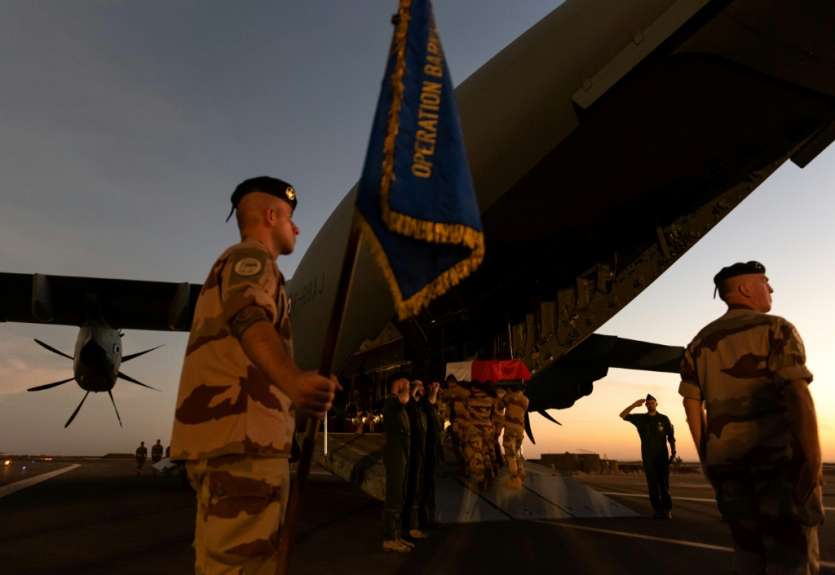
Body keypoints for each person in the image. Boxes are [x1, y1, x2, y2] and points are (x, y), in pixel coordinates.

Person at [169, 176, 338, 575]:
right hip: (245, 446)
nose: (296, 228)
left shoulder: (233, 264)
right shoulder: (252, 259)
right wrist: (293, 382)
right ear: (271, 216)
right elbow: (248, 315)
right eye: (290, 218)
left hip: (231, 441)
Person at [680, 261, 824, 574]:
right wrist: (813, 461)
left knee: (749, 558)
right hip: (781, 468)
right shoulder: (776, 329)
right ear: (745, 288)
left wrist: (708, 461)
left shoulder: (698, 343)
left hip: (729, 471)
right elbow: (797, 394)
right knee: (793, 560)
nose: (771, 288)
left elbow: (692, 406)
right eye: (764, 281)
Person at [619, 394, 676, 518]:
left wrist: (673, 451)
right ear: (646, 405)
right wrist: (634, 404)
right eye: (648, 403)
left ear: (656, 404)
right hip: (648, 456)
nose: (650, 405)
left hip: (662, 456)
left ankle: (667, 510)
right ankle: (657, 510)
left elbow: (671, 437)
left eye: (652, 403)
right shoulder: (641, 419)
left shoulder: (664, 419)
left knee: (664, 484)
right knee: (652, 484)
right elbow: (622, 415)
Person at [382, 378, 413, 553]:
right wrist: (404, 387)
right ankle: (389, 538)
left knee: (399, 495)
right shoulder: (391, 403)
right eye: (406, 385)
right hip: (394, 455)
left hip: (400, 454)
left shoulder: (397, 405)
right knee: (394, 495)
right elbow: (405, 399)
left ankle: (397, 534)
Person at [403, 380, 429, 540]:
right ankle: (410, 527)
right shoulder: (409, 406)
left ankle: (417, 523)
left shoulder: (421, 406)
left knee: (418, 489)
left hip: (420, 452)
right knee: (411, 489)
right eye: (419, 386)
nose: (423, 388)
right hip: (412, 452)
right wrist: (413, 391)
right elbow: (409, 407)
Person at [419, 381, 442, 531]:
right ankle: (424, 520)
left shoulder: (428, 406)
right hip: (425, 451)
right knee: (425, 486)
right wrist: (434, 391)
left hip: (431, 449)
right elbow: (430, 402)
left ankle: (430, 518)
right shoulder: (420, 405)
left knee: (430, 486)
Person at [501, 384, 528, 489]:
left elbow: (501, 404)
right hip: (520, 429)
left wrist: (507, 392)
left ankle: (514, 480)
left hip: (510, 428)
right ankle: (521, 471)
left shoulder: (509, 397)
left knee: (510, 453)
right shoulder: (525, 400)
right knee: (516, 451)